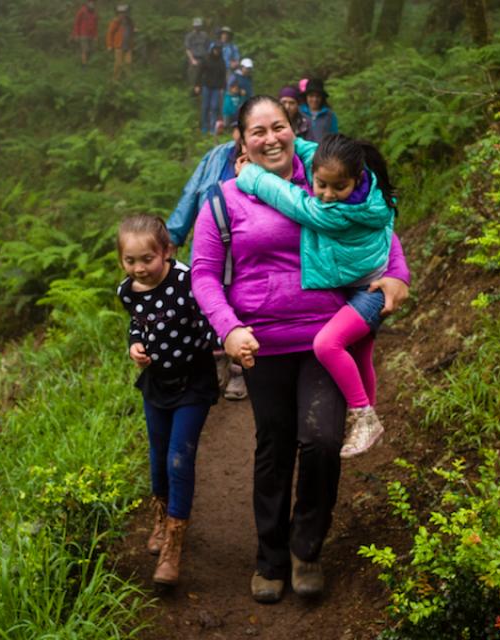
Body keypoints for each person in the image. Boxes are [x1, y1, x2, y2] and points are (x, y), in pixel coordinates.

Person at [190, 96, 410, 603]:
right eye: (258, 131)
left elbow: (377, 229)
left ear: (295, 130)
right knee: (274, 446)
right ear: (240, 142)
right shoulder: (224, 199)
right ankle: (269, 558)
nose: (271, 138)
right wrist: (227, 328)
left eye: (279, 127)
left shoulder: (327, 180)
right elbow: (203, 273)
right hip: (261, 343)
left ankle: (305, 549)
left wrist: (397, 277)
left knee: (321, 440)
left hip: (327, 335)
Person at [235, 133, 397, 458]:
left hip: (371, 289)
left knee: (327, 345)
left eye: (339, 187)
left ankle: (363, 414)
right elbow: (313, 153)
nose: (327, 195)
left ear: (357, 178)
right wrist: (287, 137)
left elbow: (289, 199)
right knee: (361, 353)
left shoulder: (337, 212)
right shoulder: (364, 183)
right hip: (363, 283)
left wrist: (251, 174)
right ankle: (368, 420)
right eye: (321, 184)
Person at [117, 214, 219, 587]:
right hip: (157, 384)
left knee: (179, 457)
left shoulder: (187, 281)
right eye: (130, 261)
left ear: (167, 252)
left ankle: (174, 544)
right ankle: (160, 518)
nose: (140, 268)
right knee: (158, 457)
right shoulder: (128, 291)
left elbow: (208, 315)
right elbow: (136, 323)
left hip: (194, 382)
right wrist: (134, 345)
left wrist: (224, 339)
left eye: (147, 259)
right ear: (121, 261)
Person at [166, 119, 249, 402]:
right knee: (207, 299)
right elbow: (192, 193)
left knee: (241, 300)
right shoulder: (215, 157)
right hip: (211, 240)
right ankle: (217, 362)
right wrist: (173, 235)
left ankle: (239, 369)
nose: (242, 135)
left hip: (245, 245)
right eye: (240, 128)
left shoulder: (262, 159)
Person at [197, 44, 227, 136]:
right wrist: (197, 85)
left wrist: (223, 87)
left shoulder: (221, 62)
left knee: (214, 107)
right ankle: (204, 128)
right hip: (207, 86)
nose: (217, 51)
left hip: (216, 88)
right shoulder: (206, 60)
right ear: (212, 50)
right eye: (215, 50)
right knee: (205, 107)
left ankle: (213, 128)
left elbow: (223, 76)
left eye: (218, 50)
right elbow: (200, 72)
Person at [106, 5, 135, 82]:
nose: (122, 14)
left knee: (128, 63)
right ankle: (115, 79)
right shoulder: (115, 22)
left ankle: (129, 80)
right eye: (121, 13)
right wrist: (109, 45)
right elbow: (110, 33)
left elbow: (132, 30)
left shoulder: (130, 21)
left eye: (124, 13)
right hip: (119, 46)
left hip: (128, 46)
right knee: (118, 64)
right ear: (118, 13)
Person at [184, 17, 210, 93]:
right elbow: (187, 49)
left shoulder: (205, 35)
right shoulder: (189, 36)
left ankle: (202, 94)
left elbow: (208, 47)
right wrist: (192, 60)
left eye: (199, 25)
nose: (197, 27)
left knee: (204, 78)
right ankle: (192, 95)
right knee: (193, 78)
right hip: (194, 58)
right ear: (193, 26)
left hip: (204, 58)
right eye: (196, 26)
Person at [70, 0, 98, 66]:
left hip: (91, 35)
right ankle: (84, 65)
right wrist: (76, 34)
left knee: (91, 50)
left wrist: (96, 36)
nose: (91, 4)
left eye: (93, 2)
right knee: (85, 50)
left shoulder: (94, 13)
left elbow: (96, 25)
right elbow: (76, 23)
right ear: (87, 3)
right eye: (90, 2)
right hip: (83, 34)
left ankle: (88, 63)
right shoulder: (82, 11)